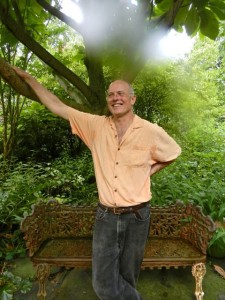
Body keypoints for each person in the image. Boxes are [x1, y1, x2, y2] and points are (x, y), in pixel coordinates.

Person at [13, 66, 181, 300]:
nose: (115, 98)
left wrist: (147, 172)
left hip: (138, 216)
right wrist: (28, 78)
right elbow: (58, 106)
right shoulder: (95, 126)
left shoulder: (151, 131)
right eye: (111, 94)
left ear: (132, 99)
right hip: (106, 217)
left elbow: (173, 152)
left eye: (121, 93)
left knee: (128, 276)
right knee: (102, 283)